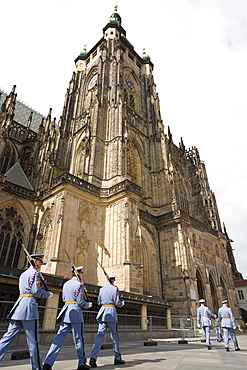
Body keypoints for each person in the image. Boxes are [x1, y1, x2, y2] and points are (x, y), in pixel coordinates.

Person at [0, 254, 52, 370]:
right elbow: (35, 290)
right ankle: (37, 367)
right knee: (33, 341)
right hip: (29, 308)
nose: (40, 265)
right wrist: (47, 294)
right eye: (39, 263)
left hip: (19, 307)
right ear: (35, 261)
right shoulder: (35, 274)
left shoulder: (23, 274)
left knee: (7, 337)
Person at [43, 266, 92, 370]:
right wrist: (87, 305)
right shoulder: (79, 285)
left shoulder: (66, 284)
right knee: (78, 339)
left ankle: (48, 363)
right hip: (75, 313)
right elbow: (80, 301)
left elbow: (64, 298)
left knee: (58, 339)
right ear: (79, 273)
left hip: (66, 312)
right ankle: (81, 363)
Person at [89, 274, 125, 367]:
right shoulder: (115, 288)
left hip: (102, 312)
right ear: (113, 280)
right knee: (114, 336)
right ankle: (117, 358)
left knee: (99, 336)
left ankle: (93, 358)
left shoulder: (102, 289)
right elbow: (117, 302)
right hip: (111, 312)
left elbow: (99, 301)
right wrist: (122, 303)